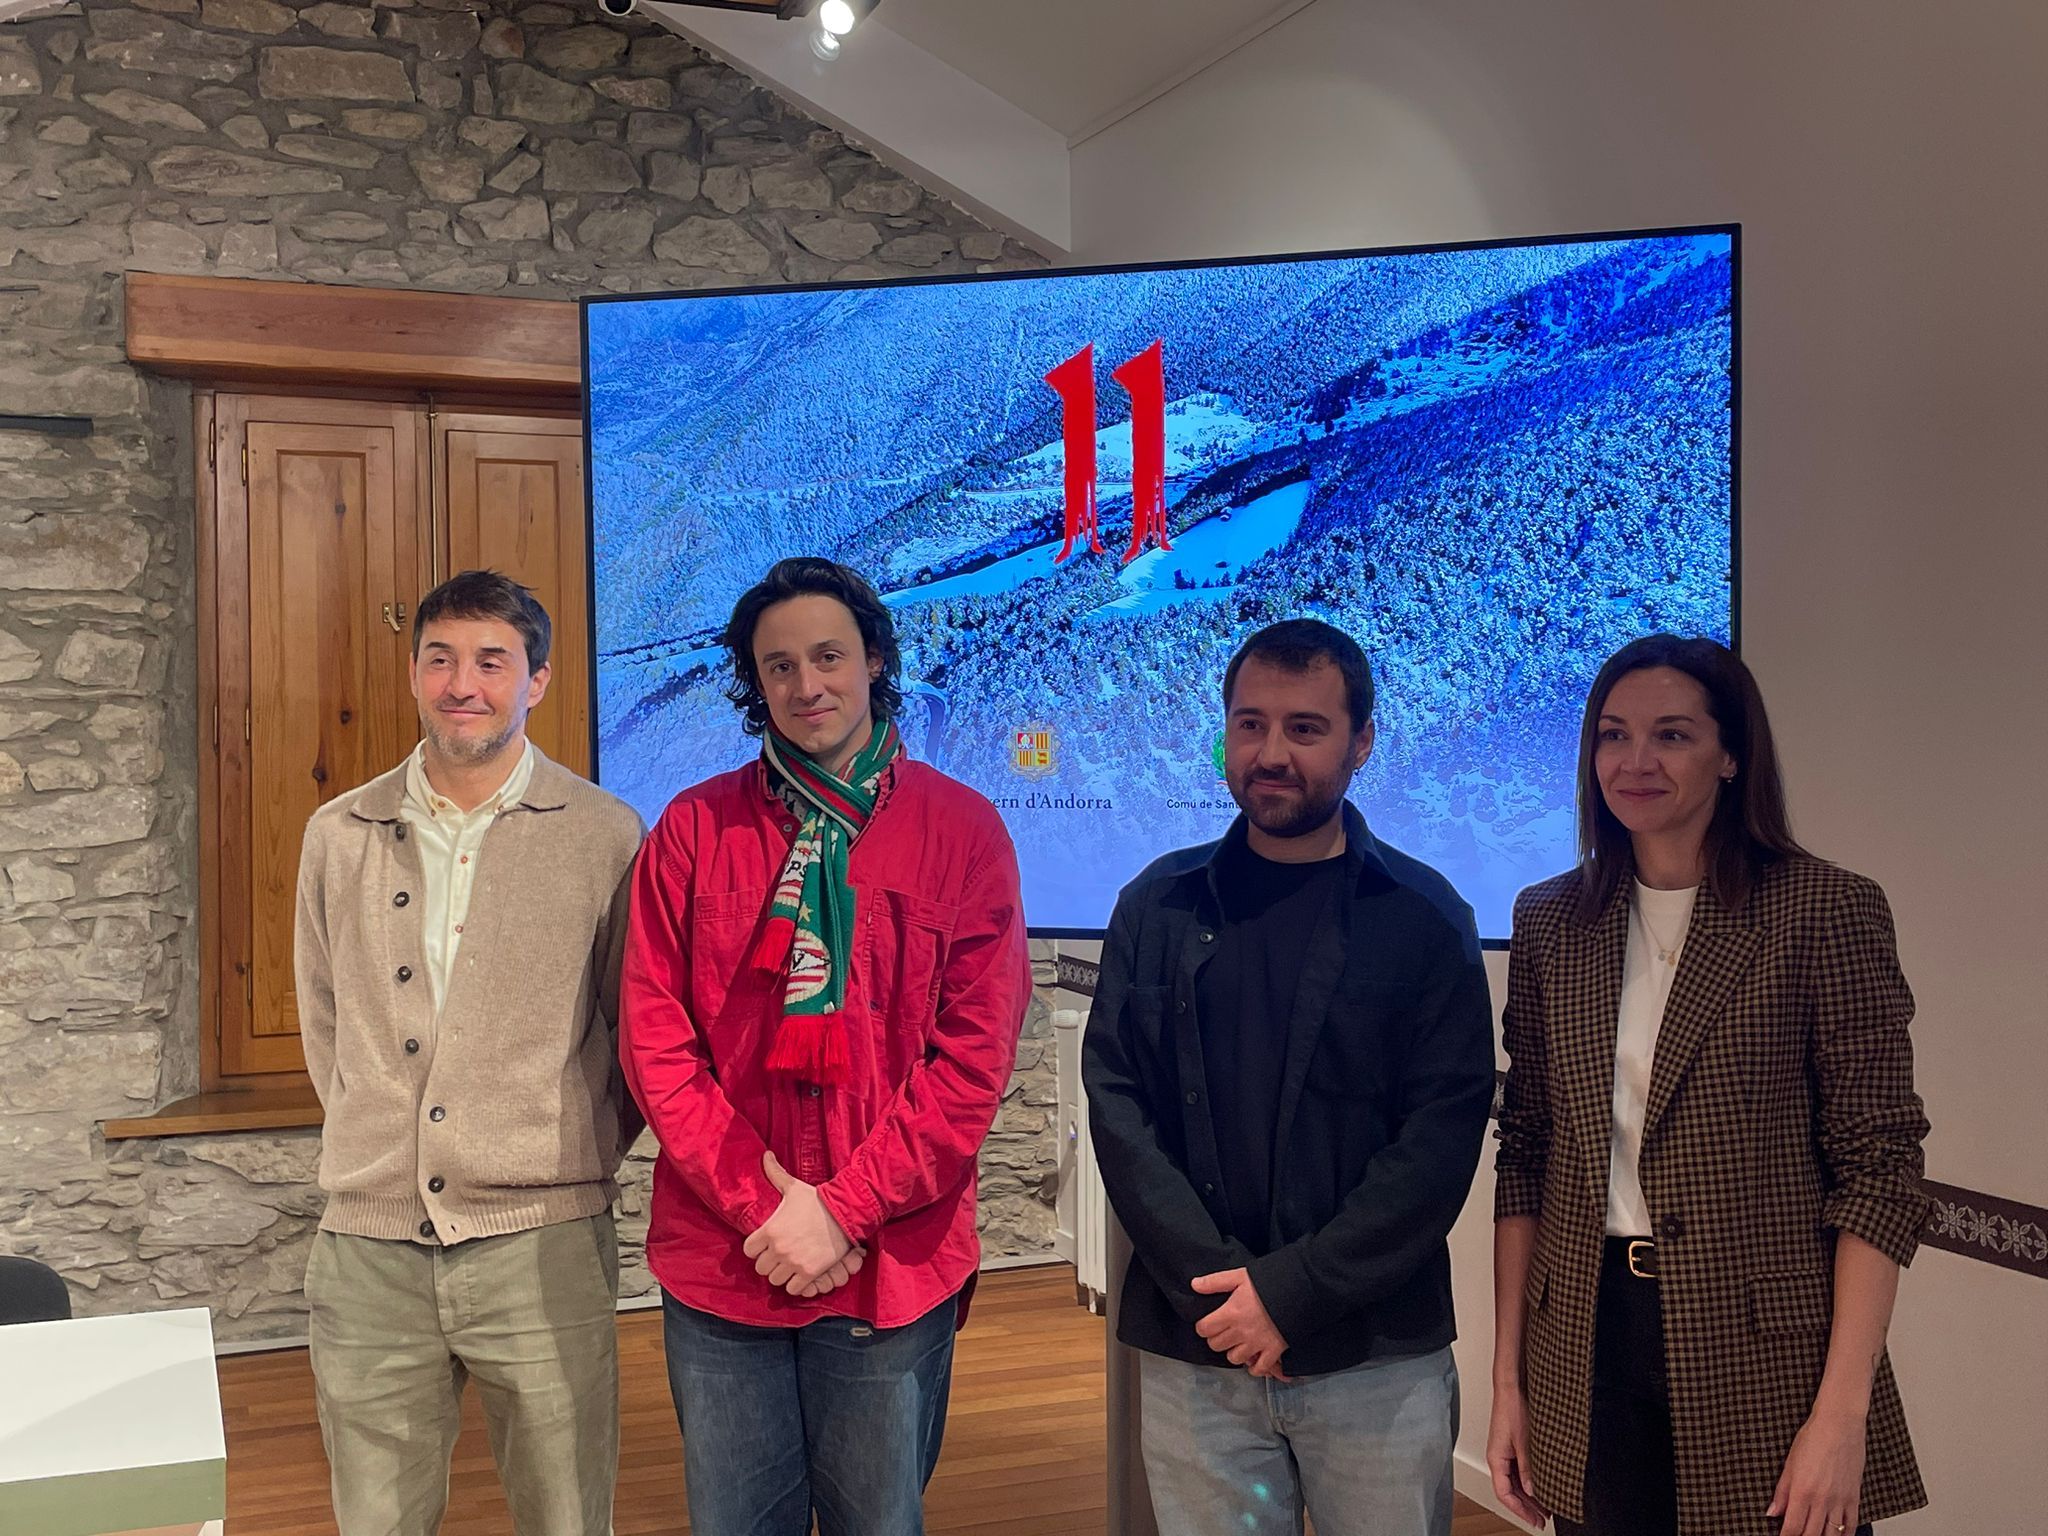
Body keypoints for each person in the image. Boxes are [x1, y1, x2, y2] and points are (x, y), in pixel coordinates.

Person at [621, 556, 1031, 1536]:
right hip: (728, 1261)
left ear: (874, 660)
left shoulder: (964, 833)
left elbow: (970, 1066)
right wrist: (768, 1208)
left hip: (890, 1266)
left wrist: (842, 1211)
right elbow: (654, 1041)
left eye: (828, 657)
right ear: (752, 683)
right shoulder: (689, 831)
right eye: (778, 666)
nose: (806, 686)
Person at [1487, 634, 1930, 1536]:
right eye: (1613, 735)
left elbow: (1880, 1171)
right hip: (1587, 1336)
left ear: (1732, 755)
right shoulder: (1550, 920)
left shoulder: (1823, 910)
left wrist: (1840, 1416)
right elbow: (1526, 1152)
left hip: (1767, 1350)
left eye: (1673, 736)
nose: (1635, 761)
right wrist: (1509, 1383)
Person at [1083, 618, 1496, 1536]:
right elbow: (1118, 1105)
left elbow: (1439, 1140)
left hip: (1375, 1357)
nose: (1271, 753)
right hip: (1199, 1344)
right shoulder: (1157, 903)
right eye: (1249, 724)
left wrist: (1290, 1293)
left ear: (1362, 743)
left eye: (1304, 729)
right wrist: (1222, 1291)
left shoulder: (1426, 919)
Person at [293, 569, 644, 1536]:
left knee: (566, 1514)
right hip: (368, 1247)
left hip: (544, 1238)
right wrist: (379, 1142)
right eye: (441, 659)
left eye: (492, 662)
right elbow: (326, 1024)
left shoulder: (606, 836)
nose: (463, 684)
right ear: (413, 674)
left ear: (535, 680)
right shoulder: (339, 834)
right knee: (375, 1519)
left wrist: (563, 1157)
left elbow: (633, 1031)